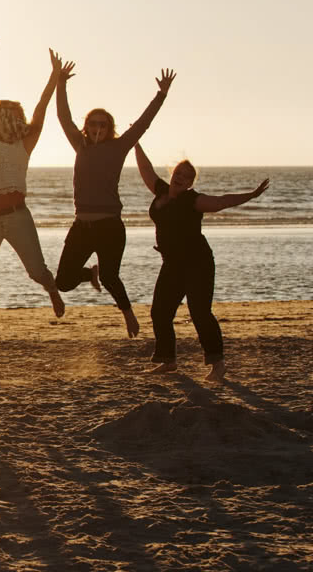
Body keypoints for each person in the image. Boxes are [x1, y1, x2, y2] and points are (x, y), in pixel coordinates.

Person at [55, 63, 173, 338]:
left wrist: (161, 95)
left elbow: (143, 124)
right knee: (63, 281)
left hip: (110, 226)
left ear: (109, 128)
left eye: (103, 124)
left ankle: (129, 316)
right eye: (93, 124)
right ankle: (89, 274)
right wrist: (61, 83)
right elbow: (63, 117)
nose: (98, 128)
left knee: (110, 276)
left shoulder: (119, 147)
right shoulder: (79, 145)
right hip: (81, 227)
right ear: (86, 127)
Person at [133, 143, 269, 382]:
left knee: (200, 312)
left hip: (198, 263)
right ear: (172, 174)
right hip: (172, 263)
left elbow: (222, 202)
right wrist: (136, 142)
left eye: (186, 178)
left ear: (190, 184)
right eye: (178, 174)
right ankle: (168, 360)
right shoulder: (161, 191)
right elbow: (145, 168)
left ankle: (217, 363)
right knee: (160, 312)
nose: (180, 179)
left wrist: (252, 195)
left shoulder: (193, 200)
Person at [0, 37, 67, 334]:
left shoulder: (26, 142)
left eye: (13, 112)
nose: (6, 115)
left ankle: (51, 290)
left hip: (16, 216)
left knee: (37, 270)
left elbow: (41, 107)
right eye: (3, 111)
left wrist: (54, 76)